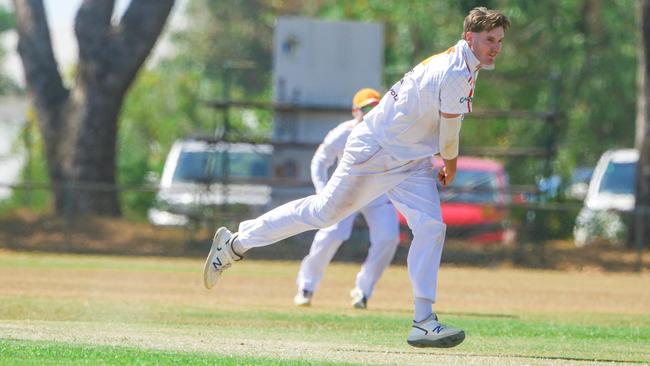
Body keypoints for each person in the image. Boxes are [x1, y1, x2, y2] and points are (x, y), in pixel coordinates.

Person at [203, 7, 510, 348]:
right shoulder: (454, 70)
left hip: (409, 157)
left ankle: (423, 322)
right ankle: (235, 244)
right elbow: (450, 130)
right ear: (470, 37)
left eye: (499, 41)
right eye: (489, 40)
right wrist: (450, 165)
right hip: (376, 149)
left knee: (431, 227)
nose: (495, 47)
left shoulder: (465, 63)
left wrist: (438, 156)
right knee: (323, 214)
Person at [293, 88, 400, 309]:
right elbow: (320, 161)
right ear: (355, 111)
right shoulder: (342, 133)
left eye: (375, 108)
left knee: (388, 237)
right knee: (332, 233)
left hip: (376, 194)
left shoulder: (389, 132)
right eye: (366, 109)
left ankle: (363, 291)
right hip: (347, 193)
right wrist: (323, 192)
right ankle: (307, 286)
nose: (371, 113)